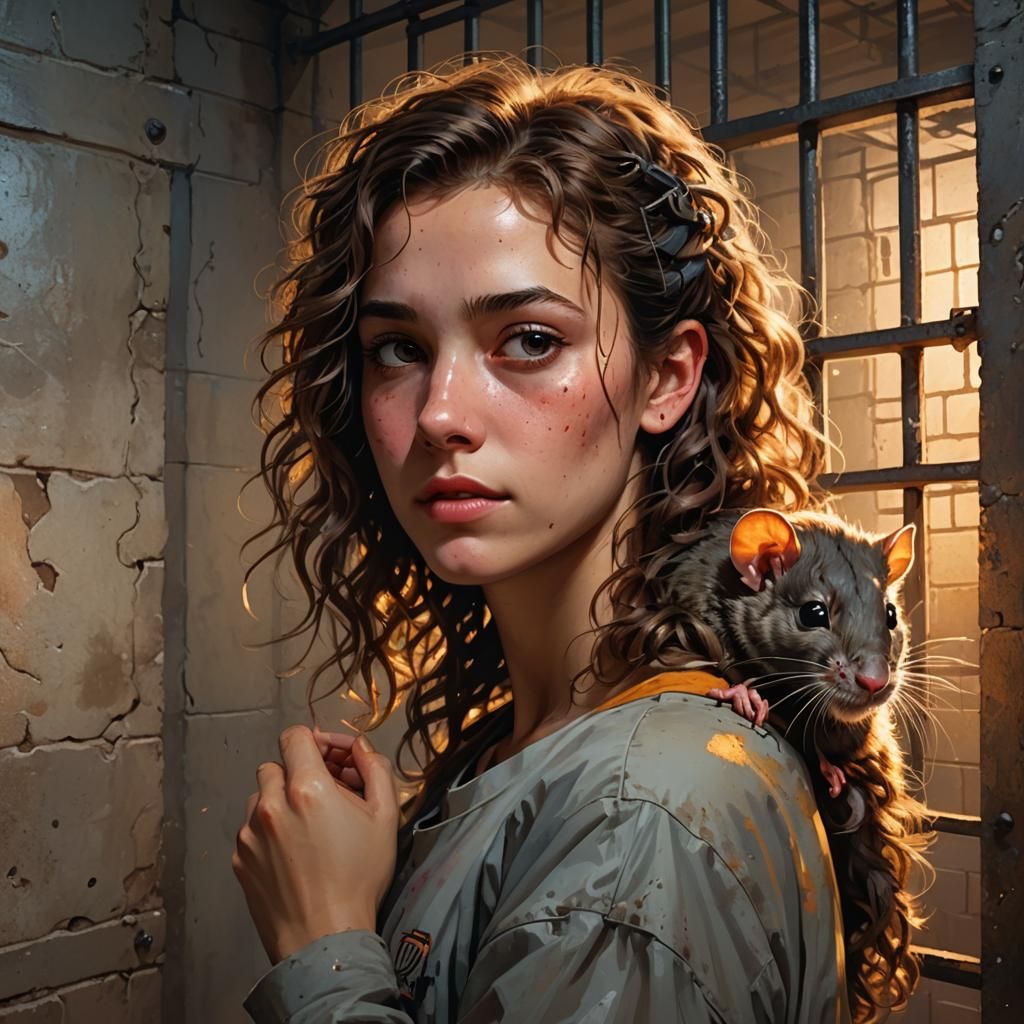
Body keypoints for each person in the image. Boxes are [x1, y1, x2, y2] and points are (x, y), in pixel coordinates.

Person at [232, 52, 854, 1023]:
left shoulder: (641, 812)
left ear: (665, 378)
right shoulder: (553, 746)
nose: (440, 412)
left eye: (527, 339)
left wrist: (323, 948)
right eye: (398, 348)